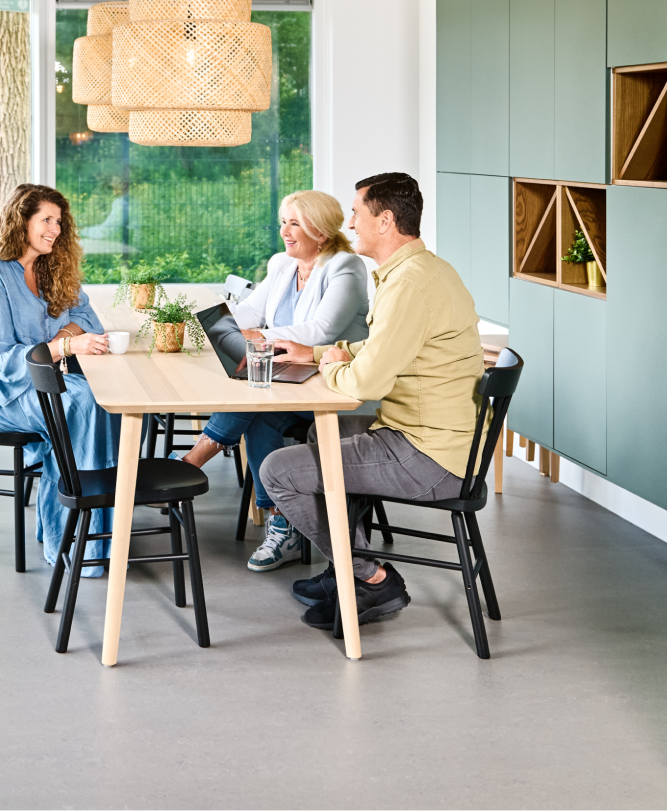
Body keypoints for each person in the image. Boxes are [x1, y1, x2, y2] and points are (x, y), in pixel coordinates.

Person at [262, 172, 484, 629]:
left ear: (384, 221)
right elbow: (382, 350)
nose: (350, 222)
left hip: (428, 456)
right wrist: (320, 352)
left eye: (357, 213)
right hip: (437, 440)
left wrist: (331, 367)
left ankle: (371, 577)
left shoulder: (408, 286)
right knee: (317, 431)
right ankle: (344, 567)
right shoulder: (422, 271)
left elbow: (363, 383)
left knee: (278, 471)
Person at [181, 190, 369, 572]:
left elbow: (320, 330)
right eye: (283, 221)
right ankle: (281, 519)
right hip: (287, 377)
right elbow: (248, 311)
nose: (284, 230)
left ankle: (194, 458)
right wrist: (209, 321)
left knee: (256, 396)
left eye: (295, 222)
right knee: (259, 403)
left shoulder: (345, 267)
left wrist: (259, 335)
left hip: (331, 382)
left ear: (320, 230)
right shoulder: (282, 264)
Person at [0, 183, 120, 577]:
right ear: (20, 221)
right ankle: (73, 544)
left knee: (106, 398)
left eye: (59, 221)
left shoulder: (49, 266)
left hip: (32, 380)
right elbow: (2, 361)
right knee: (77, 404)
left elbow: (88, 319)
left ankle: (100, 530)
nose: (55, 229)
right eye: (46, 220)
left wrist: (58, 341)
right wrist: (62, 348)